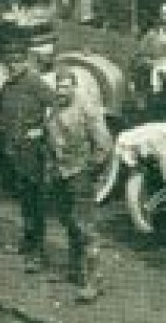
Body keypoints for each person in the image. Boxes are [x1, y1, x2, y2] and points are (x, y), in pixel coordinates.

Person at [41, 70, 113, 303]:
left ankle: (95, 280)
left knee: (85, 227)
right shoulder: (54, 108)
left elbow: (103, 146)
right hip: (60, 173)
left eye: (66, 87)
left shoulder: (87, 109)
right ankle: (75, 270)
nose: (62, 91)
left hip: (79, 173)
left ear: (74, 87)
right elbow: (50, 137)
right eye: (59, 86)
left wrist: (88, 171)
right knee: (68, 220)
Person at [0, 41, 56, 272]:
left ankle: (39, 252)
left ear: (25, 61)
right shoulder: (8, 86)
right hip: (15, 154)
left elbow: (56, 106)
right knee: (25, 200)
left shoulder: (35, 82)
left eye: (18, 61)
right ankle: (28, 242)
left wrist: (43, 128)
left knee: (37, 203)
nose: (13, 65)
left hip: (34, 154)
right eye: (10, 62)